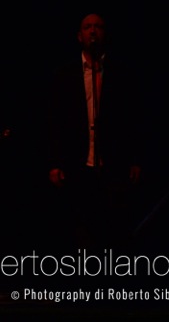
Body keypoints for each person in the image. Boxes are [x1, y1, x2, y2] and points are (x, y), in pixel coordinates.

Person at [46, 13, 143, 249]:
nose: (93, 31)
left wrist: (134, 159)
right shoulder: (65, 75)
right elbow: (55, 120)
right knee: (81, 227)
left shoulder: (120, 74)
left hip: (112, 161)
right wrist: (55, 162)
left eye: (98, 26)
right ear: (79, 36)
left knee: (113, 227)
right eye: (87, 27)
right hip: (77, 162)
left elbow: (132, 118)